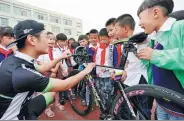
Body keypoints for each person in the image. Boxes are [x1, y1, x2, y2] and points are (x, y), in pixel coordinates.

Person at [0, 20, 95, 120]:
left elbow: (42, 68)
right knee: (55, 89)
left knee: (53, 92)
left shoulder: (16, 60)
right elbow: (66, 84)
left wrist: (61, 57)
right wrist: (85, 71)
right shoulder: (23, 73)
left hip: (19, 105)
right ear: (32, 40)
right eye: (46, 37)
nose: (49, 41)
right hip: (14, 117)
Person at [137, 0, 184, 120]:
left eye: (140, 17)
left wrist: (155, 55)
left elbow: (158, 57)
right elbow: (156, 68)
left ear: (155, 12)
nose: (139, 23)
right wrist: (145, 57)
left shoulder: (180, 27)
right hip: (162, 103)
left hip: (179, 106)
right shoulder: (154, 38)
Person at [37, 32, 65, 118]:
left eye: (53, 39)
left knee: (56, 88)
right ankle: (47, 108)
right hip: (45, 72)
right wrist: (51, 69)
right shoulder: (41, 50)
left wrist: (56, 70)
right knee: (47, 90)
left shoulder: (56, 50)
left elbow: (58, 60)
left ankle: (57, 103)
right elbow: (39, 62)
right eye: (49, 38)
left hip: (55, 72)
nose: (51, 40)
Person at [95, 28, 118, 105]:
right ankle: (103, 105)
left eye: (104, 39)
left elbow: (115, 61)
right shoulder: (98, 48)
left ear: (109, 38)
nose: (102, 41)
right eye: (101, 39)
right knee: (100, 89)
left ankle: (109, 107)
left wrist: (114, 71)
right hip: (99, 73)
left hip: (109, 74)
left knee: (109, 90)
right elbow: (96, 58)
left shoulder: (112, 47)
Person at [78, 35, 90, 106]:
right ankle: (84, 99)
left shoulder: (90, 48)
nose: (82, 43)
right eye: (80, 42)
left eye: (83, 41)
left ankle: (89, 100)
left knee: (90, 86)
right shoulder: (79, 50)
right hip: (83, 69)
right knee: (83, 86)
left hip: (91, 70)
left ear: (87, 41)